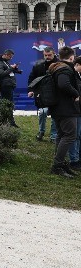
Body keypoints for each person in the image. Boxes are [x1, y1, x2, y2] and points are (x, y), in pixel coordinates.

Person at [47, 46, 80, 178]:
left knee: (61, 135)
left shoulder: (56, 67)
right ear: (72, 57)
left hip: (58, 108)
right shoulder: (65, 69)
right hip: (66, 109)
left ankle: (60, 163)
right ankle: (57, 165)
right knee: (70, 136)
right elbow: (63, 84)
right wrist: (75, 93)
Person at [27, 47, 59, 142]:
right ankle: (41, 131)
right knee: (42, 113)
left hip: (55, 94)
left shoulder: (60, 65)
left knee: (55, 116)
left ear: (54, 54)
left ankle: (53, 135)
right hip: (41, 93)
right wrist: (31, 90)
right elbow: (31, 78)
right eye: (46, 55)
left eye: (49, 55)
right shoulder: (38, 64)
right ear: (43, 54)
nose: (47, 57)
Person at [0, 48, 22, 126]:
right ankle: (8, 122)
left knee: (9, 104)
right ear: (6, 55)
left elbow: (8, 71)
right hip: (5, 85)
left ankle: (9, 122)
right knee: (8, 104)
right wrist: (11, 68)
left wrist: (16, 70)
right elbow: (1, 73)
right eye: (10, 57)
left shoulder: (5, 62)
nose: (11, 58)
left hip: (9, 85)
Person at [68, 56, 81, 170]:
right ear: (76, 65)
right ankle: (74, 160)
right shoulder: (72, 77)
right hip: (74, 110)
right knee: (75, 136)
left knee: (79, 135)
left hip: (79, 109)